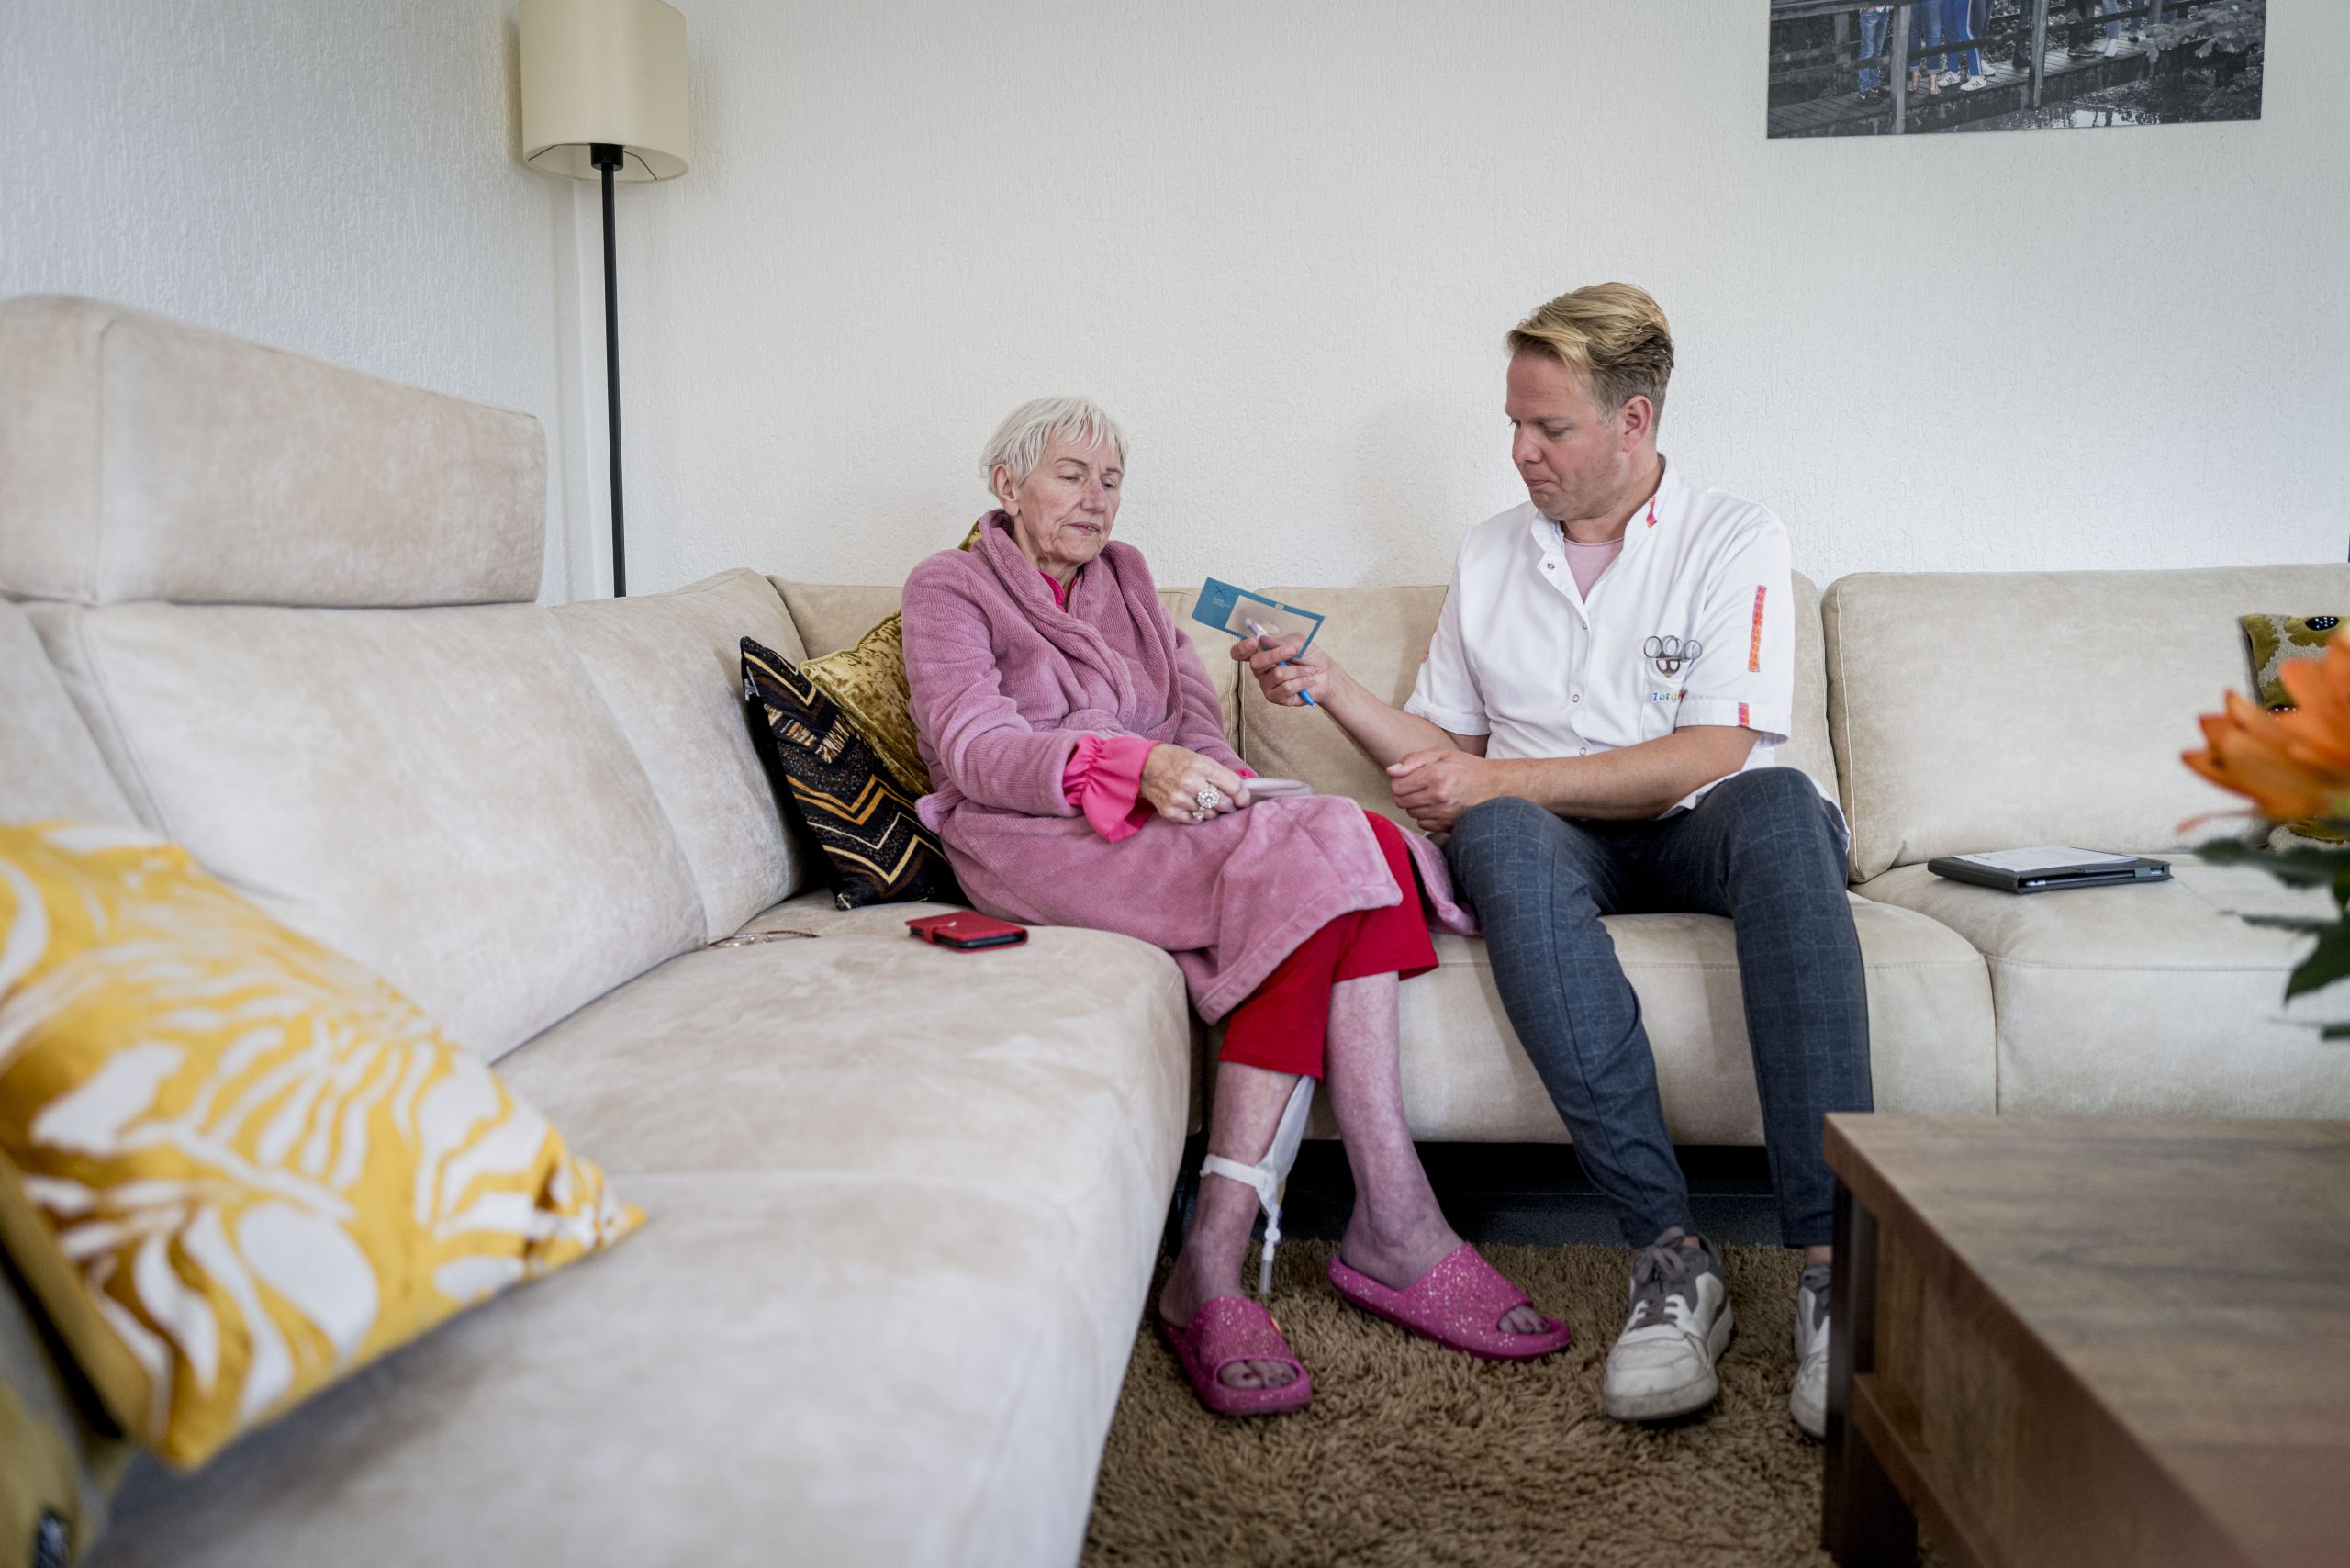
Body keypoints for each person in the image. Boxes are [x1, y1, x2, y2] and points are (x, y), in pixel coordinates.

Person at [1235, 285, 1873, 1440]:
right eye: (1514, 426)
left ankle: (1835, 1274)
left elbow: (1711, 749)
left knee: (1782, 803)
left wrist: (1498, 782)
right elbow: (1453, 760)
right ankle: (1670, 1265)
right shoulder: (1491, 556)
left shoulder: (1738, 536)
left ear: (1633, 422)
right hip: (1553, 843)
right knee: (1495, 835)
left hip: (1709, 820)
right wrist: (1331, 689)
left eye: (1550, 428)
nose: (1521, 453)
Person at [901, 397, 1571, 1419]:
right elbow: (971, 749)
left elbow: (1200, 729)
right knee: (1345, 851)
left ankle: (1223, 1254)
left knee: (1355, 837)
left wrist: (1217, 784)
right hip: (1032, 835)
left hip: (1161, 825)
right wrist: (1133, 766)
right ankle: (1385, 1221)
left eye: (1112, 479)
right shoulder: (948, 587)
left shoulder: (1131, 582)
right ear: (1007, 485)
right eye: (1072, 474)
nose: (1096, 498)